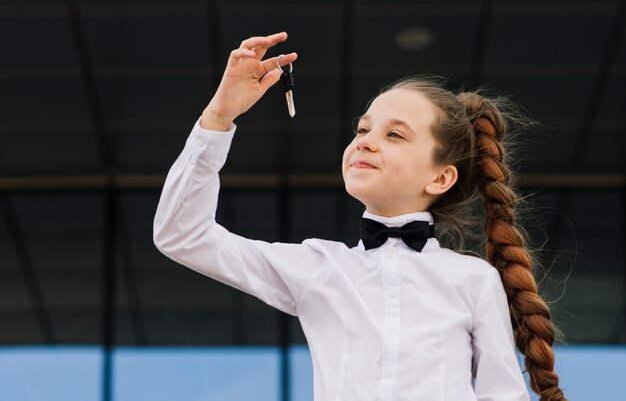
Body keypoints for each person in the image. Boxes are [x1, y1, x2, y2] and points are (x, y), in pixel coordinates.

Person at [153, 32, 566, 401]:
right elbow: (182, 236)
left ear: (441, 177)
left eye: (395, 134)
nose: (365, 143)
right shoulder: (319, 267)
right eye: (363, 130)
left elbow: (503, 394)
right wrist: (218, 118)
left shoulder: (473, 279)